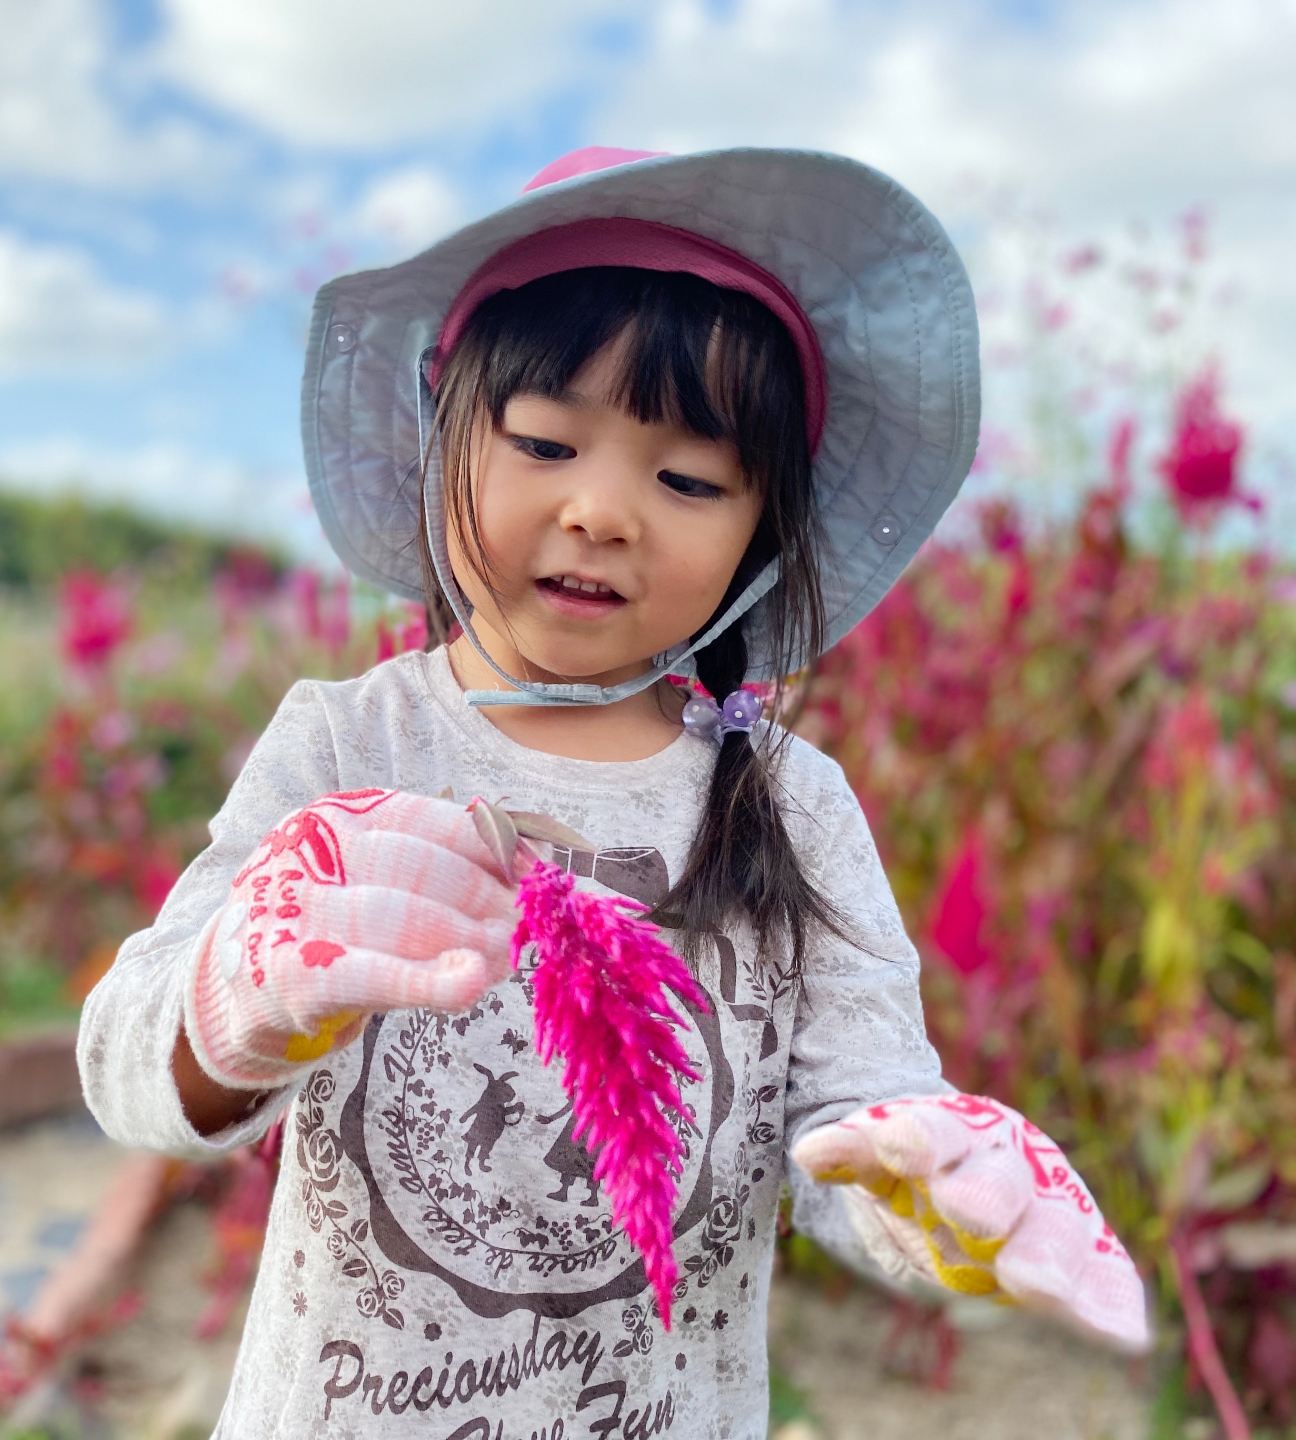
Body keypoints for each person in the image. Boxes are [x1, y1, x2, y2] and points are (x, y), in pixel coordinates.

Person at [79, 146, 1147, 1439]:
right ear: (442, 442)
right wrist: (234, 997)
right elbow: (128, 1063)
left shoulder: (794, 810)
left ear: (764, 531)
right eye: (543, 441)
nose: (603, 510)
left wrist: (933, 1188)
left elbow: (858, 1117)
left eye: (690, 480)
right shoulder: (352, 747)